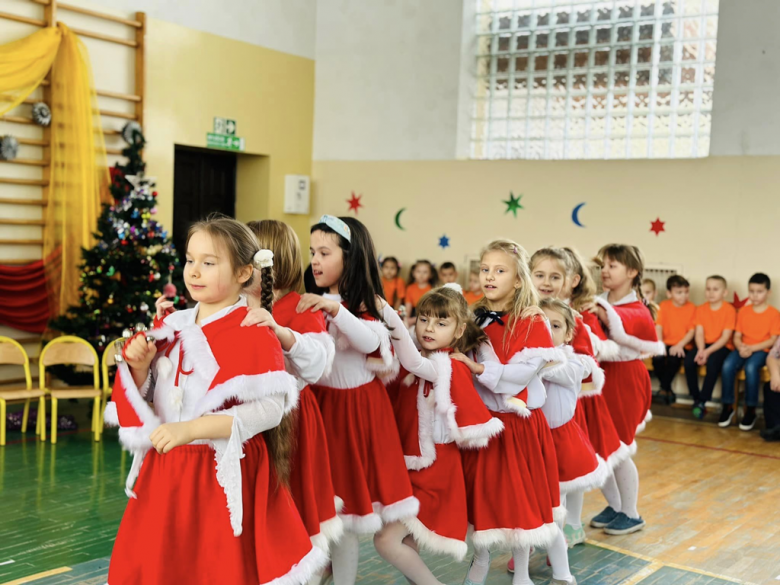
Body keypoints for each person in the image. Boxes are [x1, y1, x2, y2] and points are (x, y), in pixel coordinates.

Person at [105, 216, 326, 585]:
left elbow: (270, 409)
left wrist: (193, 429)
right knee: (161, 568)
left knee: (216, 569)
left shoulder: (253, 328)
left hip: (221, 477)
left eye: (209, 263)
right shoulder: (171, 326)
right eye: (190, 260)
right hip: (165, 474)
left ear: (243, 272)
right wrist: (140, 368)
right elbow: (145, 396)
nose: (194, 271)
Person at [302, 215, 419, 585]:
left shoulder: (372, 305)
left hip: (356, 414)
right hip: (319, 411)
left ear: (349, 258)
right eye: (312, 252)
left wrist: (335, 310)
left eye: (325, 252)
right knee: (322, 510)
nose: (315, 260)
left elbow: (371, 342)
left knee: (346, 515)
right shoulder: (310, 300)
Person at [454, 240, 576, 585]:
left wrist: (478, 370)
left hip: (519, 425)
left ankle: (521, 573)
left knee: (520, 504)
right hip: (483, 425)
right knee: (481, 496)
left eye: (500, 270)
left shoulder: (533, 321)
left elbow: (518, 377)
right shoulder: (473, 316)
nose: (489, 276)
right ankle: (479, 559)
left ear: (518, 279)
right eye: (485, 269)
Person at [374, 284, 503, 584]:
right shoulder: (419, 359)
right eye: (423, 319)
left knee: (385, 540)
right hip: (412, 467)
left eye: (441, 323)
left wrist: (388, 315)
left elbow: (414, 362)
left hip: (435, 470)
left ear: (458, 332)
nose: (429, 328)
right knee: (406, 541)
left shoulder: (445, 365)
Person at [242, 220, 343, 566]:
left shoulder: (300, 306)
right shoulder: (235, 303)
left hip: (290, 421)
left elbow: (316, 363)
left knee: (290, 503)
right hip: (247, 423)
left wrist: (281, 333)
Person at [590, 244, 664, 536]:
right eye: (603, 266)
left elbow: (622, 351)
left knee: (618, 449)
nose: (605, 271)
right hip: (599, 381)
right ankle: (617, 504)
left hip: (624, 383)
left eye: (613, 266)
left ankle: (631, 513)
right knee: (599, 448)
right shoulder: (597, 301)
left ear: (632, 272)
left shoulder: (636, 310)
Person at [719, 273, 780, 431]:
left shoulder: (774, 313)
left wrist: (751, 348)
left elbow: (773, 340)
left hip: (761, 350)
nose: (755, 295)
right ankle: (728, 406)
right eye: (751, 291)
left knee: (751, 368)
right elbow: (737, 336)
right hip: (743, 347)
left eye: (759, 291)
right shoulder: (744, 312)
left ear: (768, 292)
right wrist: (740, 347)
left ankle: (750, 409)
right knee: (727, 365)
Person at [684, 275, 735, 419]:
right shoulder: (700, 309)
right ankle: (696, 398)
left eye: (715, 289)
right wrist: (701, 350)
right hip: (703, 345)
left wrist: (707, 352)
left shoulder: (729, 310)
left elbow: (725, 338)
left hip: (721, 346)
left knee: (712, 364)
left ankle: (703, 400)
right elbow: (699, 332)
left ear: (724, 292)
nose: (711, 293)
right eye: (708, 289)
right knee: (689, 361)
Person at [652, 275, 696, 405]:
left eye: (686, 292)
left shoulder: (692, 308)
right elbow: (658, 327)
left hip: (683, 345)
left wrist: (680, 345)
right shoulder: (664, 306)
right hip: (665, 342)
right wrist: (659, 344)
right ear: (669, 293)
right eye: (679, 293)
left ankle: (663, 389)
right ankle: (667, 389)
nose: (683, 296)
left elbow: (691, 331)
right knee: (657, 359)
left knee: (673, 360)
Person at [405, 260, 438, 324]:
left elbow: (431, 310)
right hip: (413, 313)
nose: (421, 275)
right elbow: (408, 307)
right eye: (418, 271)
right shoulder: (410, 288)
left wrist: (414, 320)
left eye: (425, 272)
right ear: (413, 273)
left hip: (427, 314)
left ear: (431, 274)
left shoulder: (432, 289)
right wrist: (406, 319)